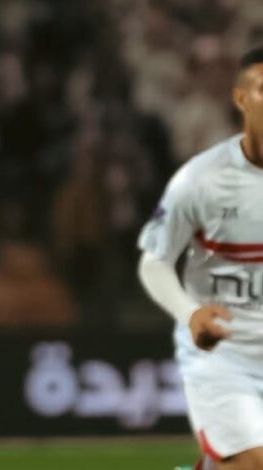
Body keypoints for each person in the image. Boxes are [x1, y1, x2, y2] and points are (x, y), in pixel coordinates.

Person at [138, 46, 263, 470]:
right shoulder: (202, 178)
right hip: (224, 354)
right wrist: (190, 314)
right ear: (241, 99)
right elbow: (154, 261)